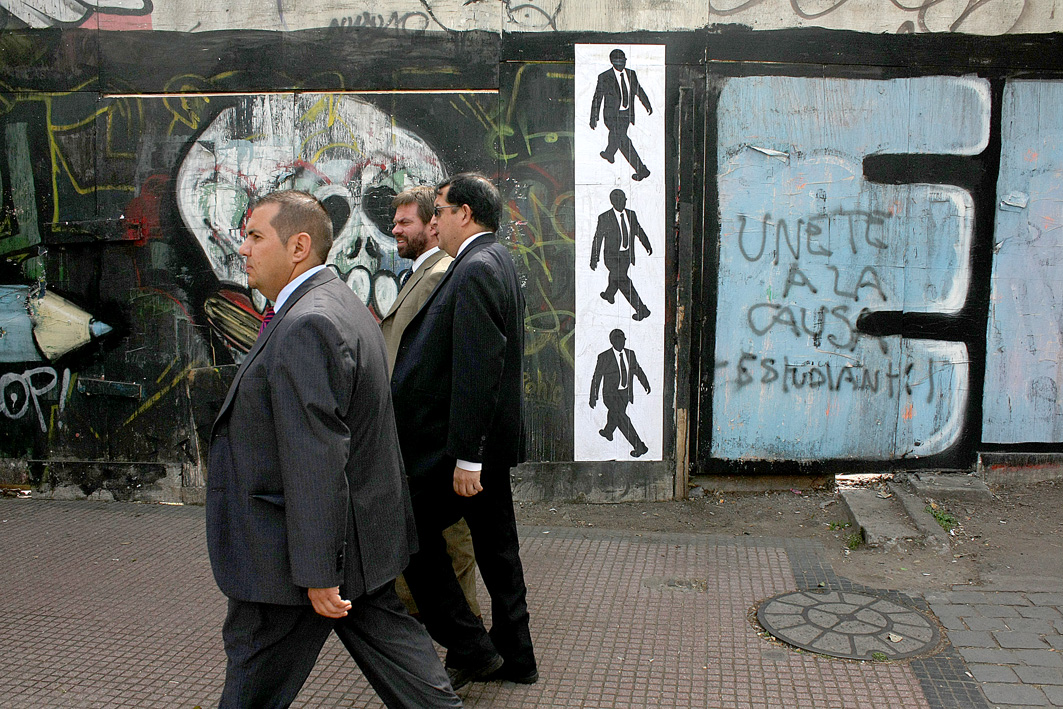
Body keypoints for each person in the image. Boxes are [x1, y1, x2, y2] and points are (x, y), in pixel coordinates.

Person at [205, 190, 461, 709]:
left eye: (255, 236)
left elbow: (316, 455)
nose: (243, 249)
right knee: (408, 672)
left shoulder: (309, 323)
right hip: (349, 545)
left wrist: (320, 571)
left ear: (298, 247)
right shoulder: (335, 301)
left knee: (252, 683)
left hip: (294, 556)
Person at [391, 173, 537, 690]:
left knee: (409, 533)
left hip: (463, 450)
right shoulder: (494, 259)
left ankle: (473, 648)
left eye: (439, 211)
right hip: (481, 445)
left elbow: (480, 365)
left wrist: (468, 458)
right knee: (499, 551)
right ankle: (518, 656)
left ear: (465, 214)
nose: (434, 222)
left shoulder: (475, 267)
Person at [380, 185, 481, 621]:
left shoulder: (440, 275)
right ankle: (433, 617)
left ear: (432, 227)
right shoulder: (420, 273)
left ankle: (466, 626)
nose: (395, 230)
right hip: (413, 428)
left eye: (406, 222)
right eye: (395, 222)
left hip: (429, 431)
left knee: (449, 532)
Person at [589, 48, 653, 181]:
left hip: (626, 114)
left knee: (619, 139)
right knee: (624, 140)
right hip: (612, 115)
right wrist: (594, 117)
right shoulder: (604, 77)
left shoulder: (631, 74)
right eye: (618, 62)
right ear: (612, 62)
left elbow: (638, 90)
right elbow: (597, 97)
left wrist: (647, 105)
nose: (621, 64)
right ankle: (641, 170)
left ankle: (609, 152)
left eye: (623, 61)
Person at [590, 188, 653, 321]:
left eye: (624, 200)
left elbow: (638, 231)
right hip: (611, 257)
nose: (623, 202)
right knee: (624, 281)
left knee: (617, 278)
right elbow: (598, 238)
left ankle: (609, 294)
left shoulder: (631, 214)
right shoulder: (605, 217)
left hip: (626, 256)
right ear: (613, 202)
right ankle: (641, 310)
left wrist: (647, 245)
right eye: (620, 201)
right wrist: (594, 258)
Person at [590, 329, 651, 458]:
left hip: (625, 394)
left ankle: (608, 431)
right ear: (612, 342)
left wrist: (646, 384)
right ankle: (639, 446)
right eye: (617, 340)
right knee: (623, 419)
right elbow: (597, 377)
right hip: (610, 394)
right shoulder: (604, 356)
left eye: (623, 340)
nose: (621, 343)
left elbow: (637, 370)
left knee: (616, 415)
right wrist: (593, 395)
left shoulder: (630, 354)